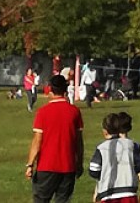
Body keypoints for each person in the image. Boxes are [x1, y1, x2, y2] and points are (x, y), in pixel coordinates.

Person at [27, 74, 85, 203]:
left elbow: (37, 141)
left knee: (41, 199)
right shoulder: (74, 111)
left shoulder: (43, 112)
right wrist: (79, 162)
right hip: (68, 165)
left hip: (47, 166)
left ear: (50, 90)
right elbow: (79, 142)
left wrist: (30, 164)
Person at [88, 111, 140, 203]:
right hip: (129, 193)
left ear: (105, 131)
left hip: (107, 194)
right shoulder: (132, 145)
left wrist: (98, 189)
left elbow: (94, 170)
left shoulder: (101, 148)